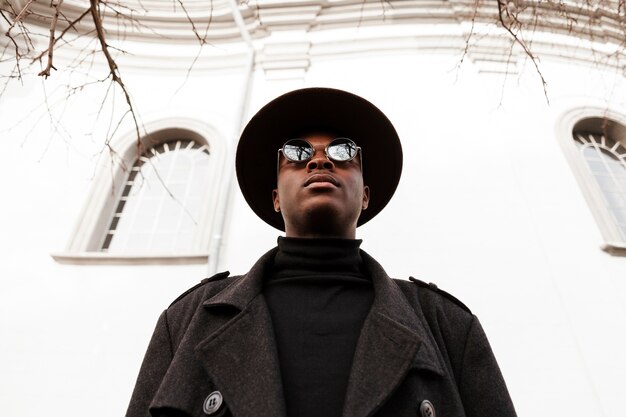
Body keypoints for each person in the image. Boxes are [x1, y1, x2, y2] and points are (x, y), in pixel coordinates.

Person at [125, 88, 517, 417]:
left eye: (344, 152)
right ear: (276, 199)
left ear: (364, 196)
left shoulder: (446, 326)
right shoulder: (189, 320)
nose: (319, 158)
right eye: (295, 153)